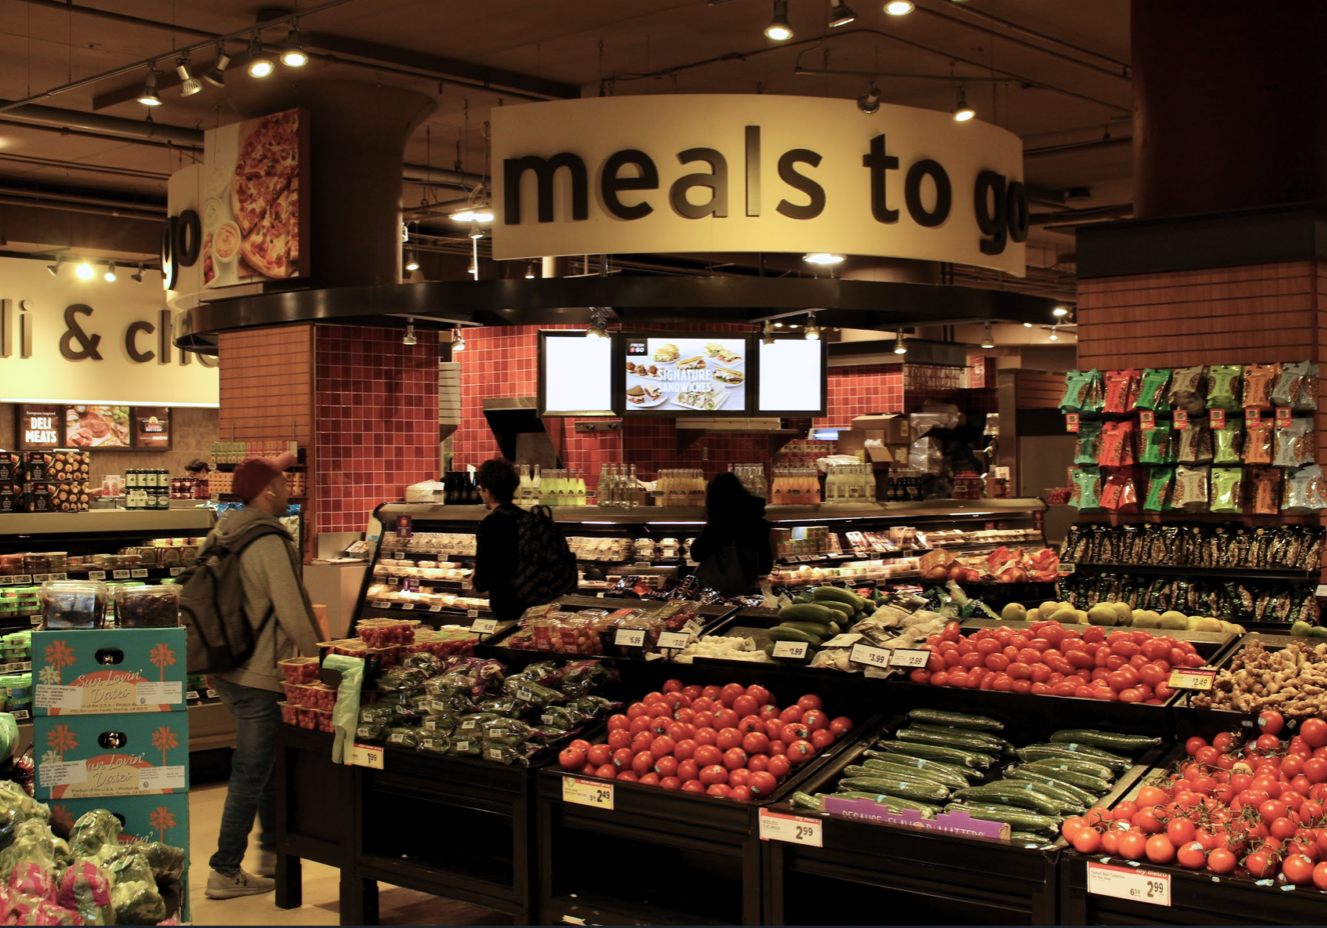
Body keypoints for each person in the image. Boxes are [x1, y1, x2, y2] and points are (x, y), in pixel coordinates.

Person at [202, 452, 321, 901]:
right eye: (284, 483)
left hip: (227, 670)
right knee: (251, 773)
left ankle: (274, 852)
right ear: (268, 490)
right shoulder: (270, 540)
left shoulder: (219, 533)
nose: (290, 488)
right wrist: (321, 665)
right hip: (259, 675)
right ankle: (224, 868)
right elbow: (293, 611)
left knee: (267, 765)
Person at [471, 458, 536, 622]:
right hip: (537, 605)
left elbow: (483, 580)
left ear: (487, 491)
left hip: (508, 608)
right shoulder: (529, 518)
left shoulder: (490, 524)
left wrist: (474, 579)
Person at [689, 471, 773, 596]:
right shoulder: (758, 522)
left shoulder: (719, 523)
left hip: (718, 593)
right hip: (747, 591)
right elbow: (765, 566)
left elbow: (697, 554)